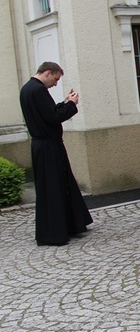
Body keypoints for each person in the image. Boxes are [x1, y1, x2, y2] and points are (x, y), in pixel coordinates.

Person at [19, 61, 92, 246]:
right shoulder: (38, 90)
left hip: (42, 146)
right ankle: (55, 233)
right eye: (55, 79)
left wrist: (65, 102)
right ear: (48, 73)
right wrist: (73, 105)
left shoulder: (27, 89)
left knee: (57, 185)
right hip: (48, 147)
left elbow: (48, 113)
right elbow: (54, 117)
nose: (55, 84)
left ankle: (70, 225)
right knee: (54, 188)